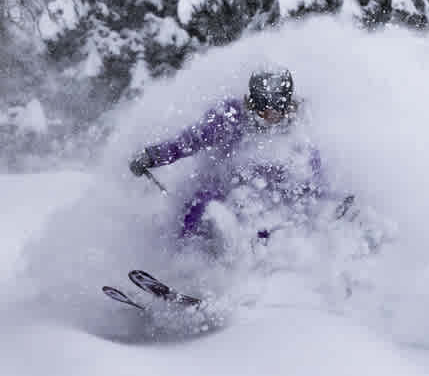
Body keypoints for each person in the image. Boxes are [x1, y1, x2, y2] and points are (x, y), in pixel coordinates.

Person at [128, 68, 330, 251]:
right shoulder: (229, 117)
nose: (269, 113)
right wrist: (152, 157)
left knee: (272, 229)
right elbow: (188, 142)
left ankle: (263, 279)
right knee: (204, 209)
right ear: (253, 100)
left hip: (268, 205)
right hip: (223, 190)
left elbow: (311, 177)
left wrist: (321, 206)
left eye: (276, 106)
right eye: (262, 106)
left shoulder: (299, 130)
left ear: (286, 104)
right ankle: (186, 264)